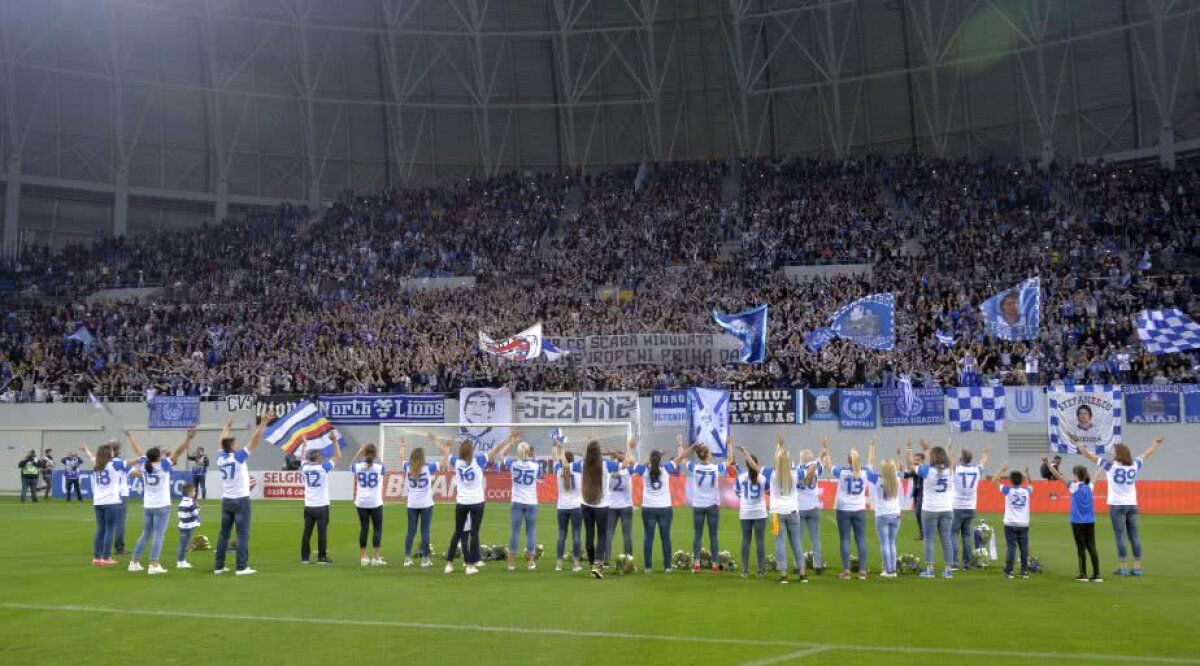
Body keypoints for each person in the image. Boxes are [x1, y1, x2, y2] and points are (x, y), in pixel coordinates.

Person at [1075, 437, 1163, 576]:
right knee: (1134, 536)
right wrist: (1155, 444)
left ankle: (1123, 568)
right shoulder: (1134, 464)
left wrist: (1078, 443)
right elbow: (1146, 454)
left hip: (1117, 505)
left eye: (1114, 451)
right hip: (1132, 504)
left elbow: (1088, 455)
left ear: (1119, 453)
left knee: (1120, 536)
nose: (1112, 452)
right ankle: (1137, 567)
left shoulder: (1110, 465)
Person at [442, 431, 516, 576]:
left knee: (458, 532)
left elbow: (446, 454)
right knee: (474, 533)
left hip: (462, 502)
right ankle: (470, 565)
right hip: (476, 502)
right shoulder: (479, 460)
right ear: (471, 452)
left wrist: (447, 446)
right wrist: (508, 439)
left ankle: (449, 563)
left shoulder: (456, 462)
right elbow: (496, 450)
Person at [125, 429, 194, 574]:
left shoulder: (144, 464)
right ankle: (154, 564)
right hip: (162, 505)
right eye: (161, 454)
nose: (163, 455)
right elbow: (179, 451)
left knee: (146, 533)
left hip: (148, 505)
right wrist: (188, 439)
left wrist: (131, 436)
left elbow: (137, 450)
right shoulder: (163, 465)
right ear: (158, 457)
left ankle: (134, 562)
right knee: (158, 535)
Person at [214, 416, 271, 576]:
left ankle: (219, 566)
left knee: (223, 534)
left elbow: (220, 442)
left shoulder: (220, 458)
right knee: (243, 534)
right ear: (231, 447)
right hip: (241, 500)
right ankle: (241, 567)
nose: (237, 445)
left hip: (226, 500)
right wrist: (263, 423)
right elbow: (255, 441)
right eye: (235, 443)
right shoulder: (238, 458)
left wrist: (227, 426)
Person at [761, 438, 812, 584]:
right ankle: (802, 573)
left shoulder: (771, 473)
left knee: (780, 543)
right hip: (793, 513)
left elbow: (770, 461)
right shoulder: (795, 473)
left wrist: (778, 446)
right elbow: (809, 471)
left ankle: (783, 574)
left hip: (777, 514)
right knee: (796, 542)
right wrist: (819, 460)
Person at [1044, 457, 1101, 582]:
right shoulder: (1089, 486)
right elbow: (1096, 475)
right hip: (1090, 521)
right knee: (1092, 546)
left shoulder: (1074, 486)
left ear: (1076, 475)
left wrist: (1048, 463)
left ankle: (1083, 574)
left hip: (1077, 522)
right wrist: (1103, 465)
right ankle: (1097, 575)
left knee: (1081, 548)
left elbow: (1057, 475)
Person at [633, 447, 683, 574]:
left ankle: (648, 567)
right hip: (664, 508)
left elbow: (632, 463)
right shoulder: (666, 469)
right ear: (660, 460)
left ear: (650, 460)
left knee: (648, 538)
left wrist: (648, 459)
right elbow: (680, 458)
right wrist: (690, 447)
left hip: (648, 507)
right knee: (665, 538)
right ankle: (667, 567)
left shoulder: (644, 470)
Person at [910, 438, 955, 579]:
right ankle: (948, 570)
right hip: (947, 509)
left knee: (929, 539)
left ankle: (930, 569)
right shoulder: (950, 470)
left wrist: (909, 449)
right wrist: (948, 448)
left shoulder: (926, 470)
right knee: (946, 539)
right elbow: (951, 460)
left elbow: (911, 466)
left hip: (930, 509)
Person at [685, 440, 729, 574]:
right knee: (713, 536)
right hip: (712, 505)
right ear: (707, 455)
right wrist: (730, 444)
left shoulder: (694, 467)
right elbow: (730, 459)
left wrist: (685, 446)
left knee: (697, 536)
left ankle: (697, 564)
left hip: (698, 505)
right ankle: (715, 566)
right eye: (710, 453)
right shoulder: (716, 468)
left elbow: (682, 458)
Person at [579, 439, 620, 579]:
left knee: (589, 534)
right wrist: (613, 452)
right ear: (599, 453)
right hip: (602, 506)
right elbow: (626, 462)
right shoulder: (606, 465)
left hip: (585, 503)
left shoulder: (582, 464)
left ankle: (592, 564)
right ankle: (597, 565)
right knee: (602, 535)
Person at [833, 439, 872, 580]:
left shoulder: (842, 472)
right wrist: (871, 446)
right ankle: (862, 571)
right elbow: (871, 464)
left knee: (845, 539)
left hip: (843, 508)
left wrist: (825, 449)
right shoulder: (865, 473)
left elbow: (829, 465)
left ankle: (846, 571)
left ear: (848, 460)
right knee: (861, 539)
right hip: (859, 508)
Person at [80, 443, 125, 566]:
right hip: (111, 501)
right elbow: (131, 463)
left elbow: (91, 456)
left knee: (100, 529)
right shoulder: (115, 464)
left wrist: (86, 449)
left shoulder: (96, 463)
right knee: (110, 530)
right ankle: (106, 557)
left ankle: (96, 557)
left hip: (98, 501)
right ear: (109, 454)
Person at [503, 440, 545, 571]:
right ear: (528, 452)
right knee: (531, 531)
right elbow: (541, 480)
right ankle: (531, 562)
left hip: (517, 501)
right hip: (531, 501)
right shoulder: (536, 466)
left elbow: (503, 455)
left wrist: (511, 442)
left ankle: (511, 563)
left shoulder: (513, 464)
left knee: (515, 532)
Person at [401, 437, 439, 567]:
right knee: (425, 531)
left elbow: (401, 459)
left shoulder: (407, 467)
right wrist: (439, 444)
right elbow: (445, 461)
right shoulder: (429, 468)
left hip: (412, 503)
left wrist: (402, 445)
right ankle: (425, 559)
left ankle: (407, 558)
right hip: (426, 504)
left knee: (411, 531)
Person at [950, 446, 990, 569]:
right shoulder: (976, 470)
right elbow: (984, 461)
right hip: (971, 507)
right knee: (967, 536)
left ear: (961, 458)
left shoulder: (956, 469)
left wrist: (949, 448)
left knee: (953, 534)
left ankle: (954, 562)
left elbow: (949, 460)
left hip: (957, 506)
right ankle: (966, 563)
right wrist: (985, 451)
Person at [991, 463, 1033, 579]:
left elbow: (994, 480)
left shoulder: (1007, 490)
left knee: (1011, 547)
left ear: (1010, 480)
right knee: (1024, 547)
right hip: (1023, 523)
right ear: (1021, 480)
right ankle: (1024, 571)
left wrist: (1002, 469)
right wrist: (1028, 473)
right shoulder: (1026, 492)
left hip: (1010, 523)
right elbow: (1031, 484)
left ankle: (1009, 571)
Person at [300, 445, 340, 565]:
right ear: (318, 459)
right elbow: (338, 456)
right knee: (322, 532)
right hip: (321, 505)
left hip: (308, 505)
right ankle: (322, 557)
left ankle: (305, 557)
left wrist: (304, 445)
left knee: (307, 532)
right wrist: (335, 441)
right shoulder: (324, 467)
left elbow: (302, 458)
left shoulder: (305, 467)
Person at [732, 447, 768, 579]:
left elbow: (736, 493)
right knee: (760, 541)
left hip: (746, 512)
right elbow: (768, 491)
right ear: (756, 464)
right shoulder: (763, 478)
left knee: (746, 540)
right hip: (760, 512)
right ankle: (760, 570)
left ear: (746, 465)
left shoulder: (741, 478)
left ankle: (745, 570)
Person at [867, 455, 903, 579]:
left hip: (882, 514)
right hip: (896, 513)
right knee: (892, 543)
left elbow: (869, 467)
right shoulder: (897, 479)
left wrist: (872, 448)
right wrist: (898, 456)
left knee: (885, 544)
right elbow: (899, 469)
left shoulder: (877, 479)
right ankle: (893, 570)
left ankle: (887, 570)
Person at [604, 439, 638, 562]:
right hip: (626, 505)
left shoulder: (608, 470)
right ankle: (629, 560)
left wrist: (612, 453)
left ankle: (606, 560)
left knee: (608, 534)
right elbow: (632, 462)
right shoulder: (628, 469)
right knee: (627, 534)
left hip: (611, 505)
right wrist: (629, 448)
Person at [353, 442, 386, 567]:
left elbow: (352, 465)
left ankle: (363, 557)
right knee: (377, 528)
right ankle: (376, 557)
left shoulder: (357, 466)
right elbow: (383, 467)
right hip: (375, 501)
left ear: (364, 453)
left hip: (361, 501)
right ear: (375, 453)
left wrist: (359, 453)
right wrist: (378, 457)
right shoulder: (379, 466)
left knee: (364, 528)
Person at [552, 444, 583, 573]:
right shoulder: (577, 467)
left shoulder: (558, 468)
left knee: (561, 535)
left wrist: (557, 446)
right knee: (576, 535)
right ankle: (575, 564)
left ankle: (559, 563)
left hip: (562, 506)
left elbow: (555, 458)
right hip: (576, 506)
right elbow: (587, 460)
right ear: (572, 459)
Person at [111, 440, 130, 554]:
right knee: (120, 522)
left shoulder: (105, 462)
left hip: (108, 495)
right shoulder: (121, 462)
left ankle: (103, 548)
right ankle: (119, 547)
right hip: (121, 494)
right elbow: (135, 473)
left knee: (106, 523)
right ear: (118, 451)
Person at [902, 450, 926, 540]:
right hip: (916, 493)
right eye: (914, 460)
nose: (915, 462)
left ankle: (924, 533)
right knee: (917, 514)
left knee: (919, 513)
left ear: (923, 460)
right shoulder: (916, 469)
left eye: (918, 460)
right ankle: (922, 533)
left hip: (923, 494)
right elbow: (906, 475)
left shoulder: (924, 469)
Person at [176, 482, 200, 569]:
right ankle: (181, 562)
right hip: (188, 526)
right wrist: (198, 508)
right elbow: (195, 513)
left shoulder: (182, 501)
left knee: (183, 544)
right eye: (194, 491)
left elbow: (180, 514)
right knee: (183, 545)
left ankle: (182, 560)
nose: (195, 492)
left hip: (182, 525)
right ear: (190, 493)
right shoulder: (190, 502)